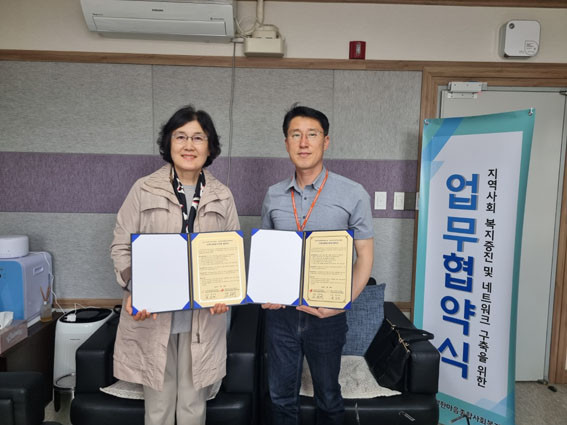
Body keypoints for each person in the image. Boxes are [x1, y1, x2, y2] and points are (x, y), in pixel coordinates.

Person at [110, 105, 239, 425]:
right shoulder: (143, 189)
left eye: (198, 137)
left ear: (209, 147)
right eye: (181, 136)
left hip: (203, 318)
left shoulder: (222, 196)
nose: (189, 145)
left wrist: (225, 292)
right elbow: (121, 247)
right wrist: (136, 289)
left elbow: (231, 255)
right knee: (158, 408)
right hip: (154, 314)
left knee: (194, 407)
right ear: (168, 143)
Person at [261, 105, 374, 425]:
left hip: (328, 315)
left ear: (326, 141)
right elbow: (268, 254)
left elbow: (365, 256)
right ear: (286, 142)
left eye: (312, 134)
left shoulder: (353, 193)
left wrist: (341, 303)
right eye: (295, 135)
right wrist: (266, 290)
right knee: (281, 398)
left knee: (328, 396)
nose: (303, 142)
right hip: (281, 316)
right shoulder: (273, 195)